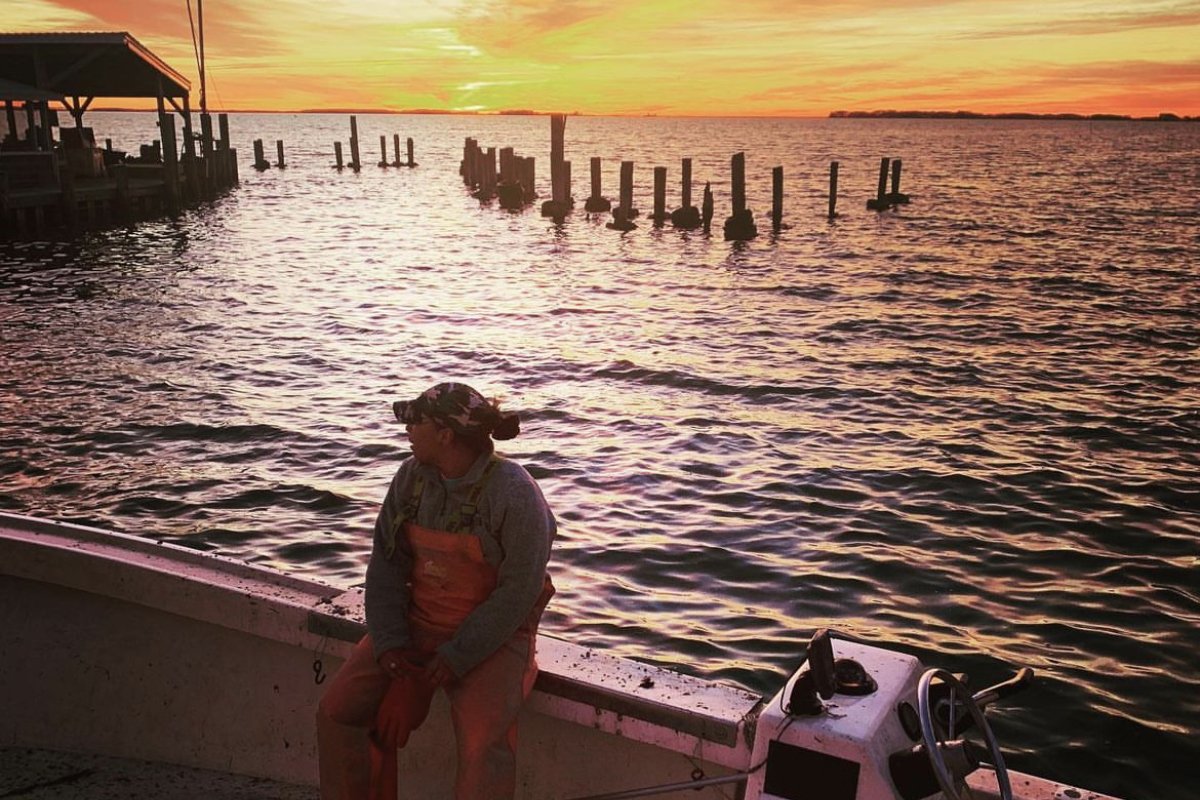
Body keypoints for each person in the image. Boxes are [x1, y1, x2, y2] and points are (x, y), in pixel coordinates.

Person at [317, 382, 556, 800]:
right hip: (417, 621)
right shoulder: (409, 478)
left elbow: (518, 593)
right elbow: (386, 565)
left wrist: (452, 660)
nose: (407, 430)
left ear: (445, 434)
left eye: (416, 422)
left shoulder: (516, 494)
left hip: (494, 638)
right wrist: (390, 646)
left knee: (483, 746)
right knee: (337, 711)